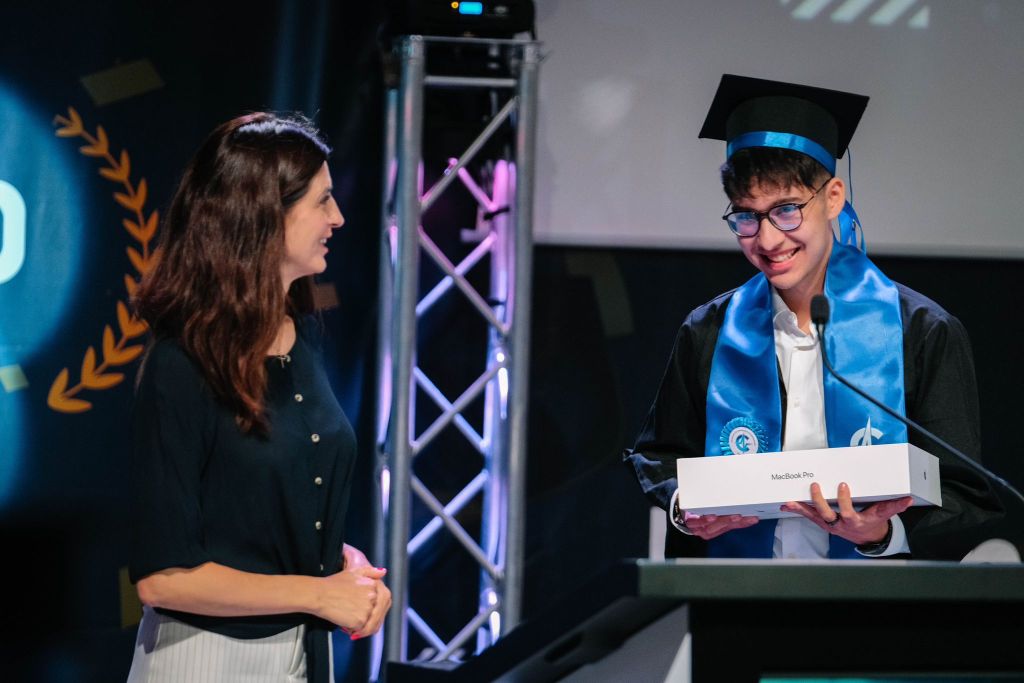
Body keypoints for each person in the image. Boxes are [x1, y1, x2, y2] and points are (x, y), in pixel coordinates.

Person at [624, 75, 1003, 561]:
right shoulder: (709, 331)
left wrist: (880, 533)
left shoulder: (921, 332)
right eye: (746, 216)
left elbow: (966, 496)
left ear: (833, 197)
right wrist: (685, 508)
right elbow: (658, 456)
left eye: (786, 210)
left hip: (873, 599)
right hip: (736, 593)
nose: (767, 241)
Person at [127, 113, 390, 682]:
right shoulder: (181, 365)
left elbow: (266, 514)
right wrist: (320, 594)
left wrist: (347, 569)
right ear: (265, 213)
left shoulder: (303, 335)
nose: (338, 218)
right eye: (322, 201)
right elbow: (163, 579)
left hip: (302, 655)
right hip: (205, 661)